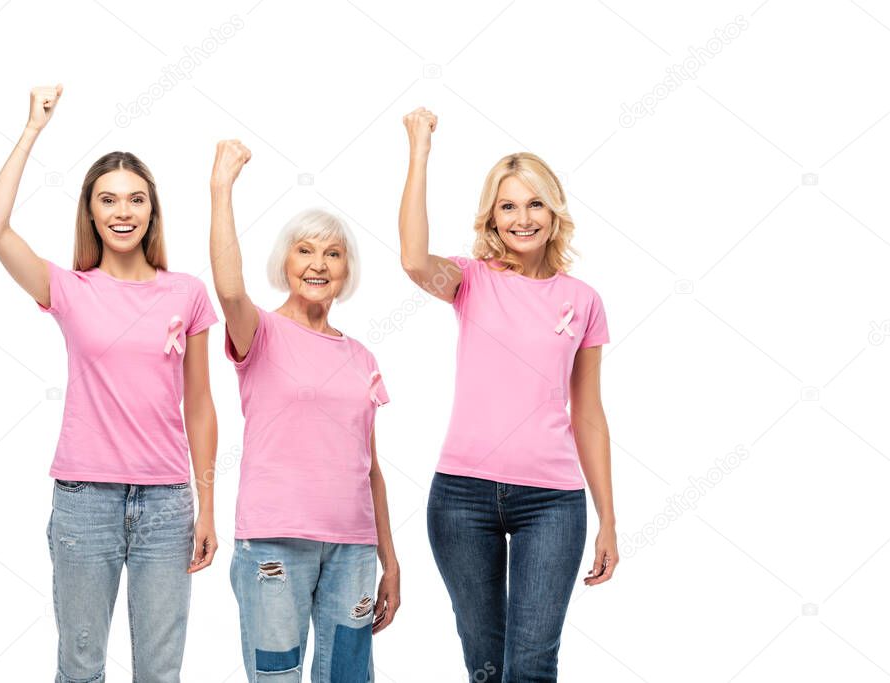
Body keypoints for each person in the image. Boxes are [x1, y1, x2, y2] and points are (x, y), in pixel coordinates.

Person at [0, 84, 221, 682]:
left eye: (135, 199)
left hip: (167, 502)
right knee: (81, 668)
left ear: (151, 211)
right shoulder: (68, 289)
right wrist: (33, 129)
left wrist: (208, 501)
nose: (122, 211)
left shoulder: (186, 292)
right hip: (85, 502)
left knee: (159, 673)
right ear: (90, 211)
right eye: (108, 199)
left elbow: (200, 403)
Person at [397, 107, 618, 682]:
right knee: (487, 665)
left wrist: (609, 519)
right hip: (461, 499)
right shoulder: (471, 280)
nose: (523, 218)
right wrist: (420, 149)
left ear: (555, 211)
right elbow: (413, 260)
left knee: (534, 662)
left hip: (553, 503)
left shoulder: (584, 299)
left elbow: (589, 415)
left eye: (535, 203)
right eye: (509, 205)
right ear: (493, 216)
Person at [208, 138, 401, 682]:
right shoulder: (260, 332)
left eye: (332, 254)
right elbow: (227, 287)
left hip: (353, 551)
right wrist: (221, 188)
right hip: (274, 544)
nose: (318, 264)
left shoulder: (362, 356)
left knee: (348, 678)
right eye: (305, 251)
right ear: (285, 261)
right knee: (276, 677)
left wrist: (391, 559)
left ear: (346, 270)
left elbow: (372, 469)